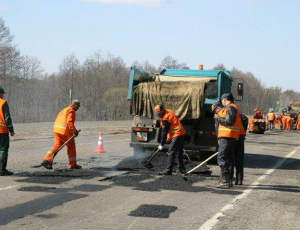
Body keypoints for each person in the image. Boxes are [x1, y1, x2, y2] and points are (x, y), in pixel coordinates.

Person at [41, 100, 81, 170]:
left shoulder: (65, 109)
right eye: (78, 106)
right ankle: (73, 164)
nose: (78, 107)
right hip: (64, 131)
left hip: (56, 130)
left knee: (57, 145)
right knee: (71, 146)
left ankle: (46, 160)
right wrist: (74, 131)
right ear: (74, 105)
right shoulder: (71, 111)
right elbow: (69, 122)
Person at [215, 93, 243, 189]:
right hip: (230, 137)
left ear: (225, 99)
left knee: (221, 158)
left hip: (227, 136)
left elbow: (229, 121)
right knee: (228, 159)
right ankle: (228, 181)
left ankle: (226, 181)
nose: (222, 102)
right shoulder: (231, 108)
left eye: (222, 100)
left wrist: (218, 118)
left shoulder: (230, 108)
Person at [154, 104, 186, 175]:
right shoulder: (167, 112)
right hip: (180, 133)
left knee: (171, 151)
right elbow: (169, 129)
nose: (157, 114)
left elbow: (164, 132)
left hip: (177, 134)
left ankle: (168, 170)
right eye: (156, 112)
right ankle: (182, 169)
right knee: (179, 152)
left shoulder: (166, 118)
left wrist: (161, 144)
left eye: (158, 112)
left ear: (162, 111)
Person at [0, 87, 15, 176]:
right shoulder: (3, 103)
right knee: (3, 149)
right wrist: (11, 130)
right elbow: (7, 118)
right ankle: (2, 170)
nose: (3, 95)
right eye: (2, 93)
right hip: (2, 131)